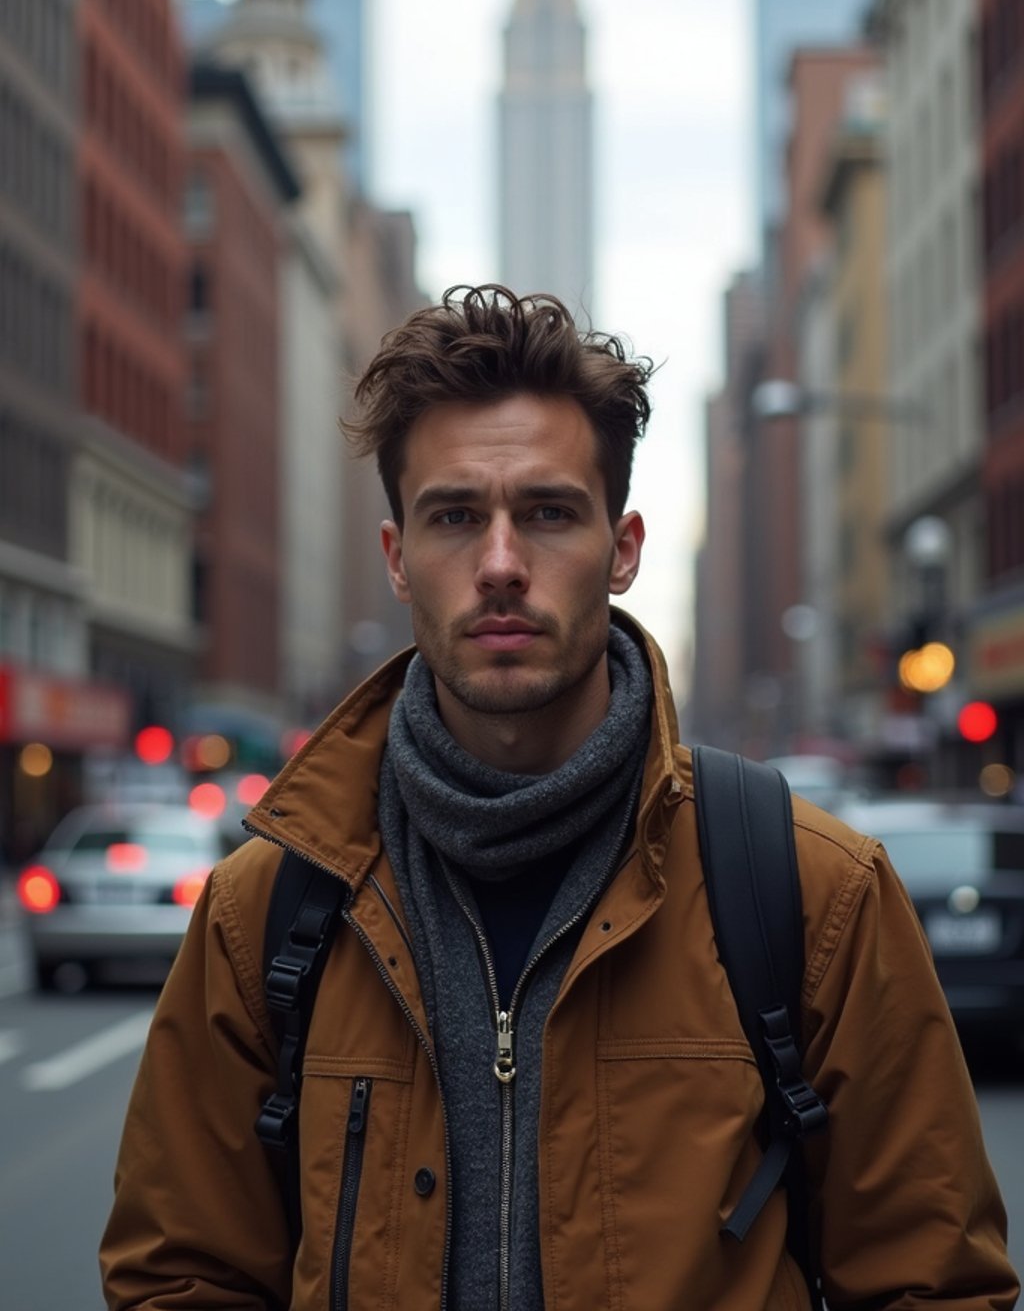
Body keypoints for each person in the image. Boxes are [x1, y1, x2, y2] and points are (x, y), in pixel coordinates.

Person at [100, 286, 1018, 1310]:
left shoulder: (812, 894)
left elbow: (932, 1285)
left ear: (621, 550)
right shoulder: (264, 910)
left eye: (546, 512)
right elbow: (178, 1275)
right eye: (455, 516)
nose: (500, 565)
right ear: (399, 560)